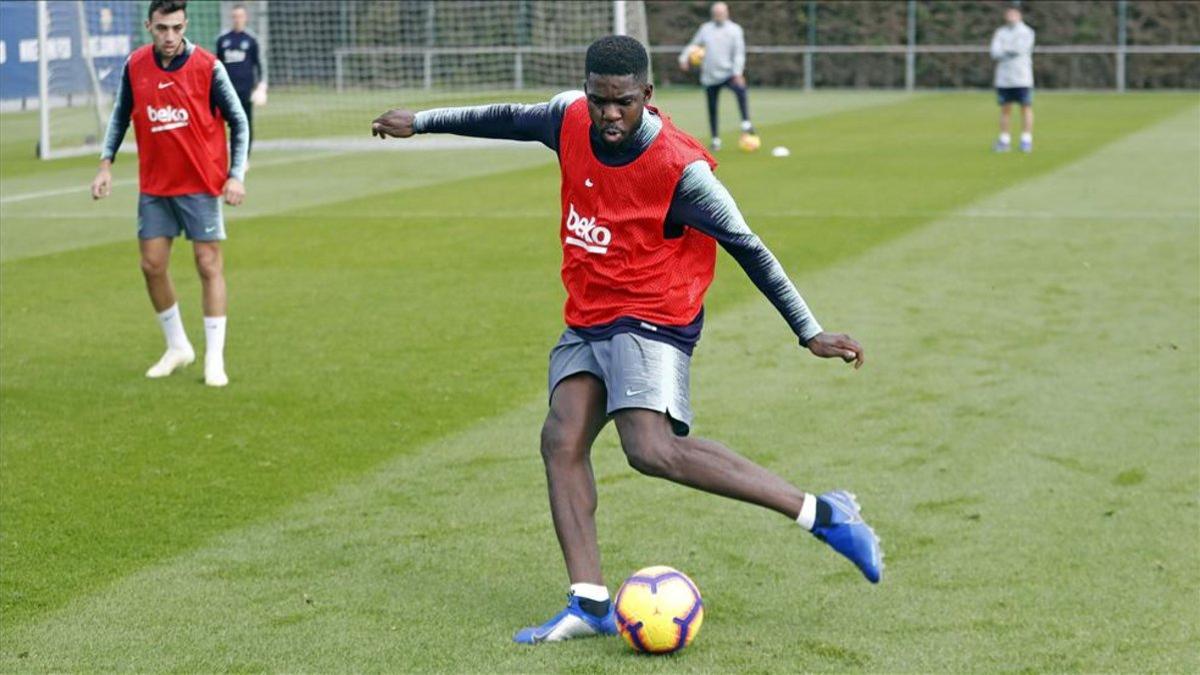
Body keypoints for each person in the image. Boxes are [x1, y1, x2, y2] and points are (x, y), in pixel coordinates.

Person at [371, 35, 881, 645]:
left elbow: (751, 247)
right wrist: (421, 122)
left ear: (647, 95)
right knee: (560, 438)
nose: (609, 115)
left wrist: (811, 332)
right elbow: (504, 117)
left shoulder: (681, 171)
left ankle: (824, 514)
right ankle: (588, 603)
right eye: (599, 101)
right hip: (589, 311)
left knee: (650, 450)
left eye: (622, 103)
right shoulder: (569, 117)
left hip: (654, 315)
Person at [91, 0, 249, 387]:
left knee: (208, 265)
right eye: (162, 28)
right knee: (152, 265)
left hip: (200, 183)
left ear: (186, 25)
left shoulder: (208, 67)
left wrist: (236, 175)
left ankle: (215, 358)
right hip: (156, 186)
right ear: (149, 26)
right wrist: (105, 164)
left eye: (177, 28)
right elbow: (119, 115)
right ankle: (178, 346)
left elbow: (239, 120)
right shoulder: (135, 65)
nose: (170, 37)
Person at [678, 2, 754, 152]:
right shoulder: (705, 29)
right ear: (713, 14)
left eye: (721, 12)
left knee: (740, 89)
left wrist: (737, 73)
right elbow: (693, 45)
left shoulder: (735, 30)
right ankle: (715, 140)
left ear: (727, 13)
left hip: (728, 74)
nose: (719, 15)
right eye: (716, 12)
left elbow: (739, 53)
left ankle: (746, 123)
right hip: (710, 76)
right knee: (712, 108)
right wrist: (683, 58)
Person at [216, 3, 262, 155]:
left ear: (245, 18)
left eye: (240, 16)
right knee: (221, 122)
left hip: (245, 91)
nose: (237, 19)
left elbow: (258, 64)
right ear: (231, 18)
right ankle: (221, 153)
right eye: (235, 16)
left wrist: (260, 87)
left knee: (245, 122)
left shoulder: (251, 40)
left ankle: (244, 156)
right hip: (226, 90)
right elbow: (217, 65)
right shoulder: (223, 40)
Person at [990, 4, 1036, 153]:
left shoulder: (1026, 32)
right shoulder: (1000, 32)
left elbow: (1021, 49)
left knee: (1025, 107)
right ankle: (1004, 140)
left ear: (1019, 15)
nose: (1010, 16)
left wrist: (1006, 50)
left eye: (1013, 14)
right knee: (1005, 109)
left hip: (1022, 77)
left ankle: (1026, 140)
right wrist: (1008, 50)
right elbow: (994, 52)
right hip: (1004, 78)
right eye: (1008, 14)